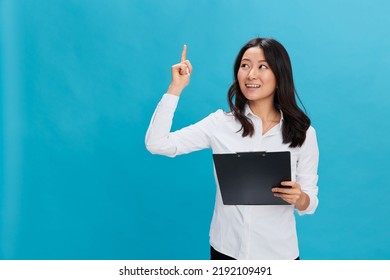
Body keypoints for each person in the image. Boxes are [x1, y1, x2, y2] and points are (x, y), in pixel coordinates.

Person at [145, 38, 319, 260]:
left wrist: (299, 197)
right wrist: (175, 89)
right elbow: (157, 143)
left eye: (262, 66)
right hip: (226, 251)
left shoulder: (303, 133)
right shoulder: (220, 124)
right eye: (244, 65)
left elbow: (310, 202)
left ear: (280, 75)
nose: (250, 74)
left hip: (279, 255)